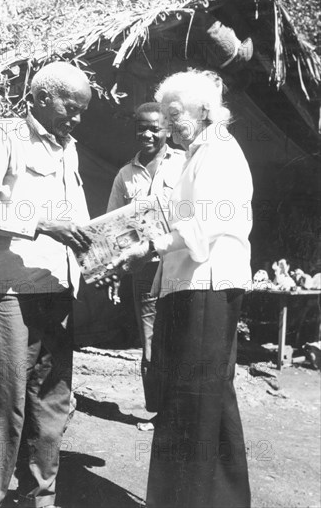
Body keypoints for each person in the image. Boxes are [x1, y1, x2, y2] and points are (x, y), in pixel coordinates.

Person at [112, 70, 252, 508]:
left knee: (197, 401)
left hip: (206, 287)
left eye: (175, 114)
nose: (169, 125)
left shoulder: (220, 152)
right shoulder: (197, 155)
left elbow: (205, 225)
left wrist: (150, 245)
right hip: (186, 287)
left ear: (205, 109)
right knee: (198, 399)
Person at [0, 62, 92, 508]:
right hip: (11, 288)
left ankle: (40, 497)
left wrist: (107, 249)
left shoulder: (69, 149)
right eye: (69, 108)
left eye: (81, 112)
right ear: (39, 98)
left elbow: (78, 224)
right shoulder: (5, 135)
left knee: (52, 400)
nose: (75, 119)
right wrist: (39, 223)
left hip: (56, 286)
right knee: (6, 399)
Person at [107, 102, 185, 424]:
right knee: (151, 340)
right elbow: (113, 229)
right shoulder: (125, 176)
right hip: (145, 268)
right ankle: (158, 411)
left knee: (182, 334)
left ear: (168, 129)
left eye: (156, 128)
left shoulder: (185, 163)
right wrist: (114, 270)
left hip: (182, 264)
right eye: (143, 128)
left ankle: (181, 411)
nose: (149, 134)